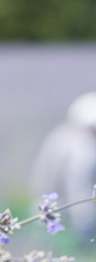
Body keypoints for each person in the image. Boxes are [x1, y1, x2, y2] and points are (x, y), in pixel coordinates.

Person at [32, 92, 96, 243]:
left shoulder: (61, 135)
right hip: (63, 216)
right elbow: (78, 189)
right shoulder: (81, 148)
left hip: (43, 207)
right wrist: (86, 227)